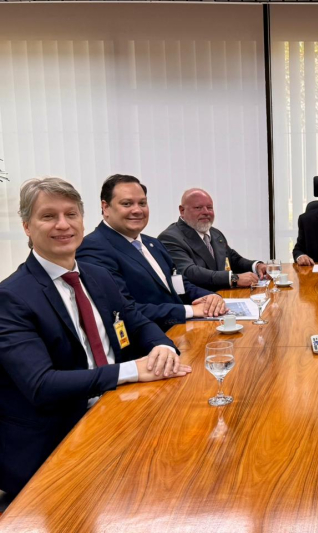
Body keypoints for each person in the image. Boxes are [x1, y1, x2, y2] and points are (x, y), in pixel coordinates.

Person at [0, 177, 191, 497]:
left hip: (117, 411)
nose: (63, 225)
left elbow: (137, 322)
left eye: (71, 214)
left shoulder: (97, 276)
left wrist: (161, 346)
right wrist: (131, 371)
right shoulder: (11, 297)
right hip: (58, 441)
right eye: (48, 216)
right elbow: (42, 385)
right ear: (27, 227)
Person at [77, 174, 226, 331]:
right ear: (105, 207)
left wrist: (210, 297)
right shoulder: (93, 248)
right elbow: (124, 309)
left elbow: (178, 284)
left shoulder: (153, 243)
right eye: (127, 204)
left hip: (184, 330)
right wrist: (189, 310)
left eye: (142, 203)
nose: (137, 210)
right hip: (151, 340)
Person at [158, 188, 267, 291]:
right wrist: (233, 279)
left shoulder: (215, 233)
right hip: (198, 300)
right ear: (182, 210)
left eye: (209, 207)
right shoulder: (170, 238)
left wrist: (257, 266)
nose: (206, 212)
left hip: (224, 295)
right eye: (198, 208)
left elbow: (233, 260)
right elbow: (189, 272)